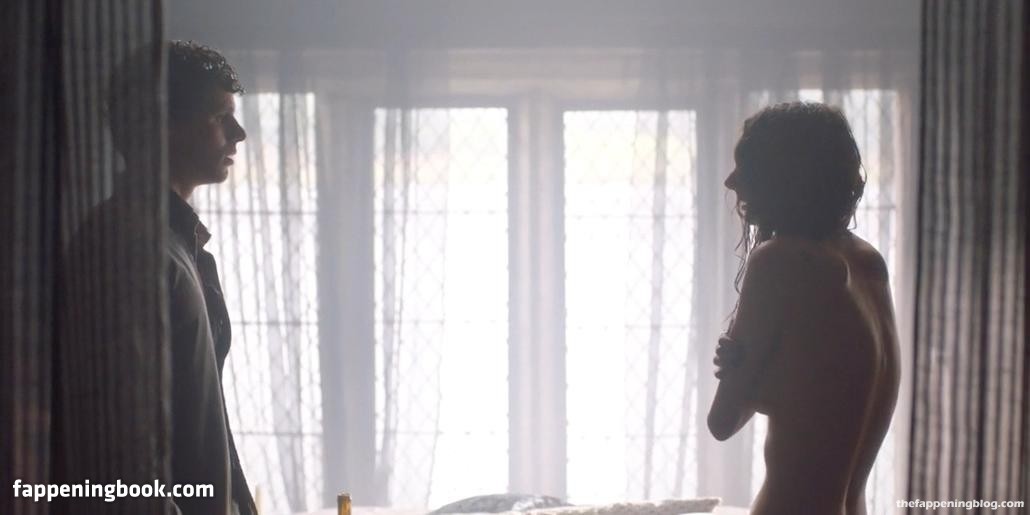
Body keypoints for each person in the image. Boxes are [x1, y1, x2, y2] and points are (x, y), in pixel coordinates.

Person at [74, 40, 254, 515]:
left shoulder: (173, 244)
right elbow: (122, 442)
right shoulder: (128, 246)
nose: (238, 134)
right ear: (165, 126)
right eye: (220, 117)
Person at [707, 102, 900, 515]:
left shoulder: (778, 260)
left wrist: (746, 370)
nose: (730, 181)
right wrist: (763, 374)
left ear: (783, 175)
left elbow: (722, 422)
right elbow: (828, 395)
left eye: (746, 166)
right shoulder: (869, 262)